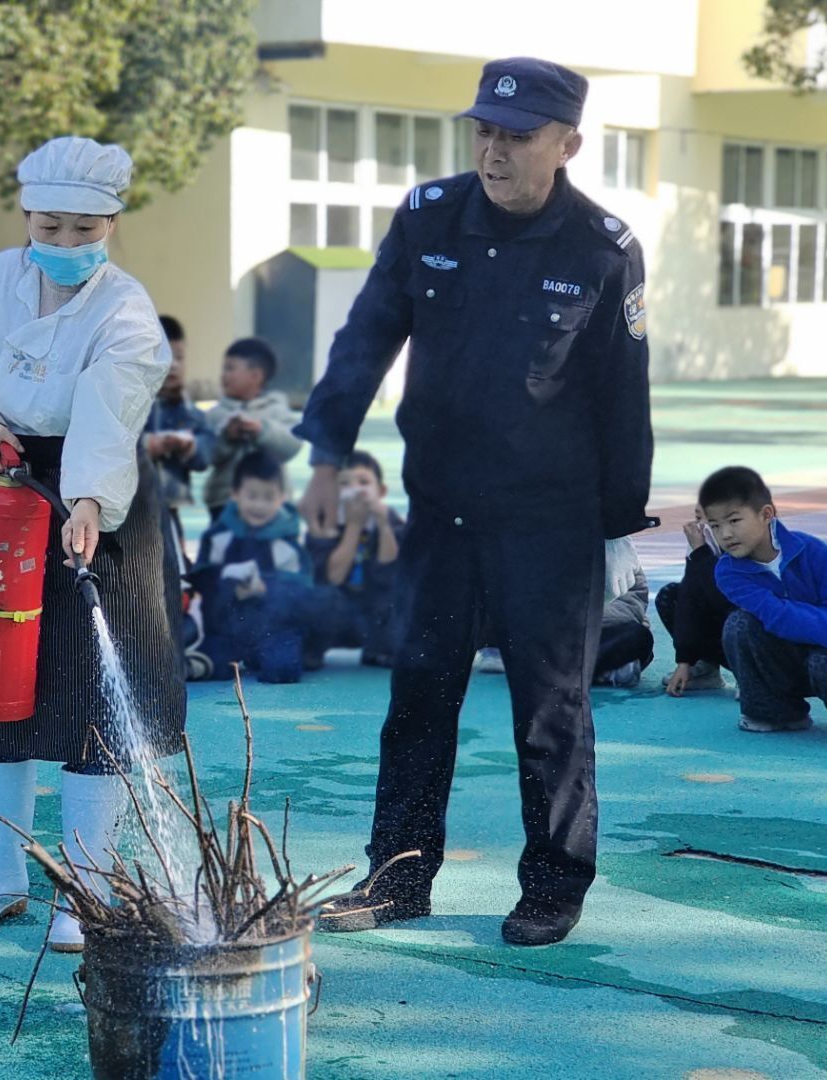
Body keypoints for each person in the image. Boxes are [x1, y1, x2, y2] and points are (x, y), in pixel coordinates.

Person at [300, 59, 653, 947]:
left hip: (552, 521)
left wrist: (619, 523)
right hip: (442, 512)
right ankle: (399, 877)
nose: (495, 151)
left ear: (566, 144)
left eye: (519, 136)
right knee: (418, 695)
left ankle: (553, 885)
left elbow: (624, 393)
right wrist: (327, 454)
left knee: (550, 709)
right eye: (485, 131)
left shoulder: (603, 249)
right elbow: (366, 335)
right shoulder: (428, 218)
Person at [0, 135, 185, 953]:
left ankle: (89, 887)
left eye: (83, 231)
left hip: (100, 497)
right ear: (27, 216)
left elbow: (108, 408)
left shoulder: (126, 309)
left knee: (94, 690)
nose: (64, 245)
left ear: (111, 223)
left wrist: (88, 499)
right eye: (49, 227)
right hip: (6, 487)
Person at [702, 466, 827, 740]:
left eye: (734, 521)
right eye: (715, 526)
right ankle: (779, 712)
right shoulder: (728, 571)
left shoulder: (813, 550)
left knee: (823, 662)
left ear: (766, 514)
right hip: (792, 649)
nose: (725, 535)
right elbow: (773, 614)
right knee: (739, 625)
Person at [189, 453, 317, 684]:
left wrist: (265, 588)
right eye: (252, 496)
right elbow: (202, 579)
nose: (260, 505)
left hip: (275, 629)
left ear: (282, 498)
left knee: (282, 669)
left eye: (269, 497)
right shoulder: (219, 537)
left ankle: (289, 654)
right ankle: (202, 664)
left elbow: (303, 591)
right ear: (235, 494)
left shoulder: (287, 545)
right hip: (227, 626)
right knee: (212, 655)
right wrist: (230, 588)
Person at [304, 450, 403, 668]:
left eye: (363, 482)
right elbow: (333, 577)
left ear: (381, 490)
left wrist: (384, 525)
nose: (354, 490)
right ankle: (313, 648)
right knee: (321, 598)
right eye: (344, 484)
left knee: (397, 599)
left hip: (373, 612)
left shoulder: (390, 519)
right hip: (338, 610)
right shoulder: (323, 525)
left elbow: (389, 575)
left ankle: (380, 648)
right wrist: (354, 525)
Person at [201, 336, 301, 520]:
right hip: (225, 500)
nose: (223, 375)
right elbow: (206, 456)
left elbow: (292, 444)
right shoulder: (216, 415)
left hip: (271, 501)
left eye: (230, 368)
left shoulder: (277, 410)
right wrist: (227, 437)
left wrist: (261, 430)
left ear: (256, 376)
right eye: (224, 369)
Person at [658, 504, 735, 695]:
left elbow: (724, 599)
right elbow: (689, 599)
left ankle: (754, 676)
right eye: (698, 518)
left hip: (752, 637)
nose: (701, 527)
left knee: (739, 617)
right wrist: (684, 660)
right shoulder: (701, 549)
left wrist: (701, 553)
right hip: (722, 638)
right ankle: (705, 668)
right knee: (671, 594)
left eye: (710, 520)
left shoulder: (746, 547)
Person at [143, 315, 211, 511]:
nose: (174, 365)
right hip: (135, 511)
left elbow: (205, 456)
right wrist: (148, 445)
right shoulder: (134, 405)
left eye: (179, 357)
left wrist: (191, 446)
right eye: (166, 356)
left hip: (172, 507)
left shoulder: (190, 412)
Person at [594, 538, 655, 687]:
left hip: (595, 633)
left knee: (638, 636)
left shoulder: (617, 546)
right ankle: (599, 673)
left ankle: (584, 671)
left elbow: (633, 600)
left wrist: (588, 617)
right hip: (557, 637)